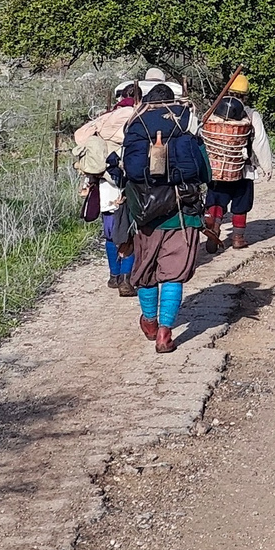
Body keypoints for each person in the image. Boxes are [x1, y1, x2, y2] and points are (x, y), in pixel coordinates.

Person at [111, 75, 209, 353]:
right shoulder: (186, 124)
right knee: (174, 274)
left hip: (144, 213)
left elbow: (126, 172)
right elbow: (204, 171)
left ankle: (150, 322)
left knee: (146, 271)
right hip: (183, 211)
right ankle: (165, 333)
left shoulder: (135, 126)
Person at [72, 75, 144, 295]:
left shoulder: (105, 118)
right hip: (134, 181)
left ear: (121, 97)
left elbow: (80, 136)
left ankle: (114, 275)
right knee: (132, 231)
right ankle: (126, 277)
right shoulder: (141, 116)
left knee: (111, 231)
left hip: (106, 180)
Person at [199, 72, 274, 252]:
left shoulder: (212, 112)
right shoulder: (250, 115)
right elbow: (260, 141)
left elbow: (201, 135)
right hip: (242, 167)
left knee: (216, 198)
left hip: (216, 168)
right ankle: (238, 238)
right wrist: (267, 166)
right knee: (241, 200)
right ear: (245, 95)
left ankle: (214, 227)